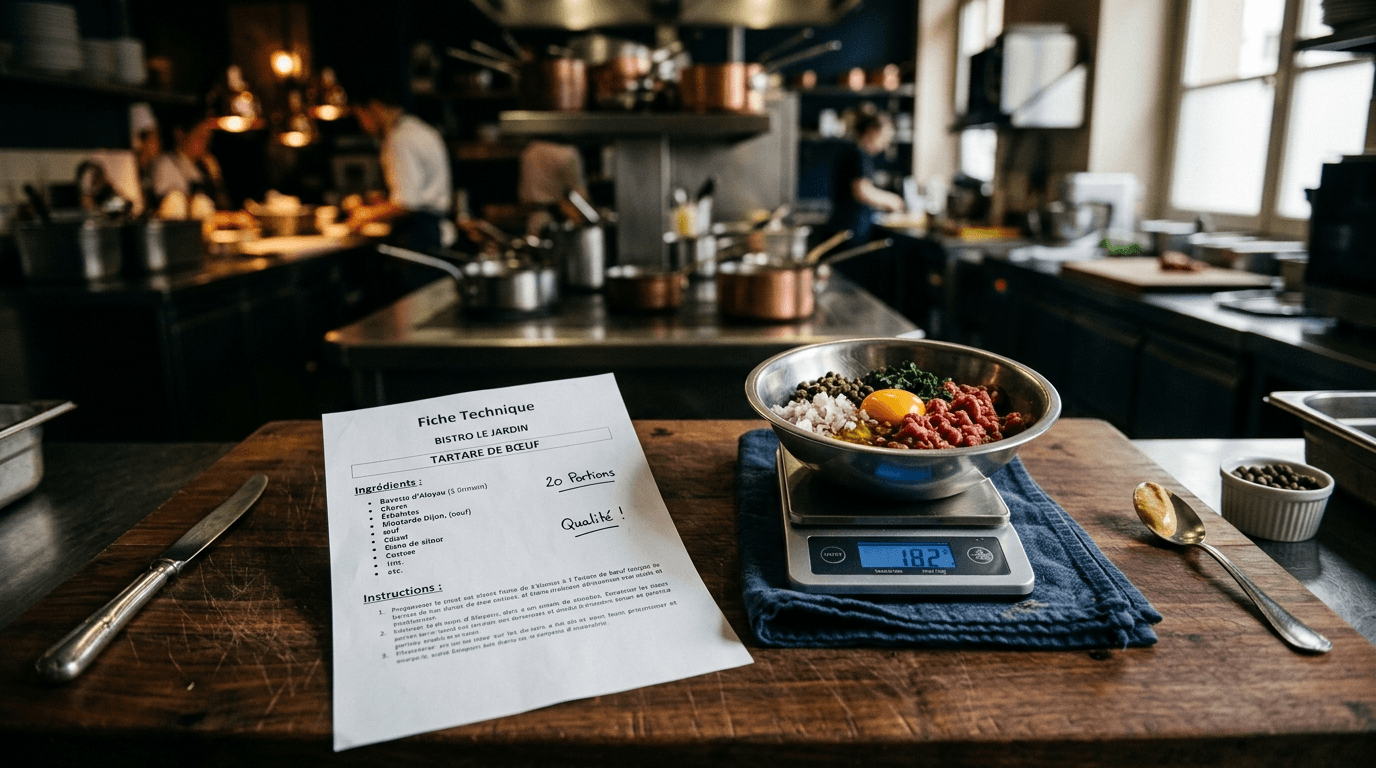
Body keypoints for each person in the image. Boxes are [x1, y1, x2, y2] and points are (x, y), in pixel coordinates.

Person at [347, 82, 453, 251]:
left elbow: (406, 203)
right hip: (433, 230)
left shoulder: (399, 139)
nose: (362, 126)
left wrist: (364, 215)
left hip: (419, 235)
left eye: (360, 116)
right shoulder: (418, 129)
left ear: (375, 108)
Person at [826, 112, 906, 243]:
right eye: (884, 138)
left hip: (850, 227)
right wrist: (893, 200)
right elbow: (862, 191)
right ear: (872, 131)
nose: (885, 145)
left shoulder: (857, 153)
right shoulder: (857, 154)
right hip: (848, 230)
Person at [518, 140, 588, 235]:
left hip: (535, 219)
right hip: (559, 220)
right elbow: (579, 195)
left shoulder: (529, 151)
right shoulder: (567, 153)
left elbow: (524, 196)